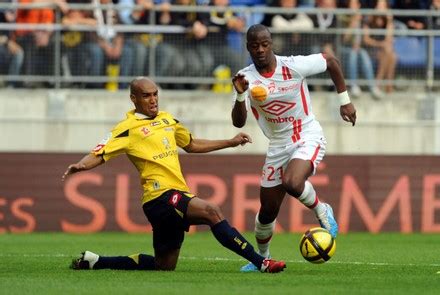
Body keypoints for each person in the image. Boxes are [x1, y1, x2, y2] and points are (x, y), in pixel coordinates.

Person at [63, 77, 286, 273]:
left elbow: (191, 144)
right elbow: (100, 152)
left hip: (171, 197)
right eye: (146, 96)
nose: (153, 100)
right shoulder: (127, 128)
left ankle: (96, 261)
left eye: (155, 94)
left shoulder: (167, 120)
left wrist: (230, 141)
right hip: (159, 196)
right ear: (134, 99)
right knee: (212, 211)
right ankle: (262, 262)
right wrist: (81, 166)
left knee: (164, 265)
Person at [231, 24, 356, 272]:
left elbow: (331, 61)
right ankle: (262, 260)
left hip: (306, 134)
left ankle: (322, 209)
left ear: (272, 44)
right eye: (254, 46)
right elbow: (238, 122)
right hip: (277, 144)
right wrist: (240, 96)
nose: (260, 50)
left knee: (292, 182)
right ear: (248, 48)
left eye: (265, 44)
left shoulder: (293, 65)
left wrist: (345, 102)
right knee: (267, 210)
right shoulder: (244, 77)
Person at [339, 0, 384, 99]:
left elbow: (364, 40)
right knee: (353, 52)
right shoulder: (343, 17)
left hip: (357, 50)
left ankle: (372, 87)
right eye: (351, 3)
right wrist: (353, 22)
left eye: (355, 3)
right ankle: (353, 85)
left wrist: (361, 24)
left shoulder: (363, 20)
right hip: (343, 50)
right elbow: (344, 40)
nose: (353, 6)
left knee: (363, 53)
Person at [362, 0, 396, 93]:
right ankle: (385, 85)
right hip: (370, 49)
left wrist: (389, 21)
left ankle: (380, 83)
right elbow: (366, 40)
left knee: (392, 56)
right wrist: (380, 44)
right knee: (389, 53)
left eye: (383, 6)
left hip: (383, 51)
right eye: (379, 5)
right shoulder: (369, 20)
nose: (381, 8)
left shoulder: (387, 22)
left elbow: (389, 39)